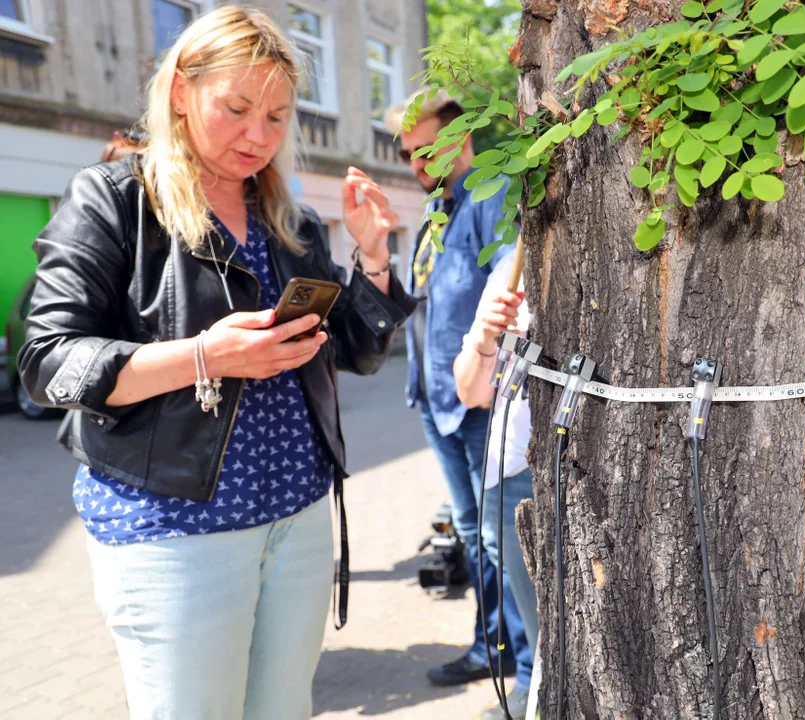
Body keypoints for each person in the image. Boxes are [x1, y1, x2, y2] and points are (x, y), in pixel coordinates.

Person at [16, 7, 414, 719]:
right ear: (179, 92)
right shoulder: (115, 201)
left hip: (298, 515)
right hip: (174, 528)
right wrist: (205, 355)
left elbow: (354, 349)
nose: (257, 136)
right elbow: (47, 362)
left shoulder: (286, 221)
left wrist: (374, 257)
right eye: (235, 108)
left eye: (276, 116)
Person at [383, 91, 534, 717]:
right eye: (408, 152)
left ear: (462, 135)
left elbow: (508, 280)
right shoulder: (436, 209)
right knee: (474, 535)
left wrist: (477, 362)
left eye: (428, 147)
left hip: (479, 401)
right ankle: (493, 644)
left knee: (503, 538)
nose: (418, 161)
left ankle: (527, 672)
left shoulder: (489, 192)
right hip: (436, 399)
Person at [453, 251, 539, 720]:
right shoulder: (512, 264)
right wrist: (486, 340)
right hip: (510, 471)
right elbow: (471, 392)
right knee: (540, 622)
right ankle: (538, 690)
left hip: (580, 473)